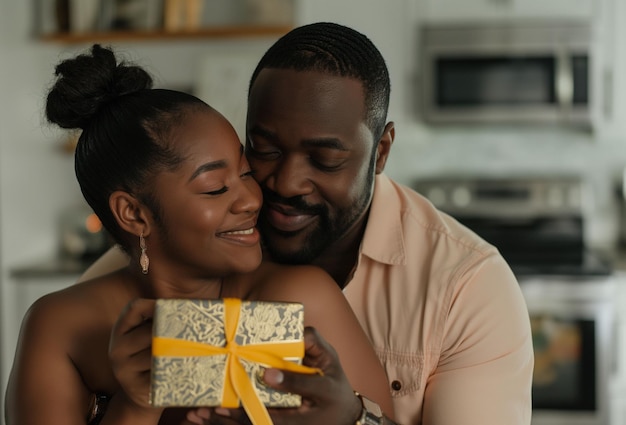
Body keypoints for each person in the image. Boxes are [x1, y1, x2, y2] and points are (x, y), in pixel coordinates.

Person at [77, 22, 535, 425]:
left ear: (381, 151)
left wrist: (356, 421)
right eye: (265, 150)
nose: (287, 182)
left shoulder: (466, 287)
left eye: (325, 158)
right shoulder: (144, 273)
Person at [4, 44, 395, 425]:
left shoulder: (300, 300)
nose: (251, 200)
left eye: (245, 173)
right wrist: (138, 403)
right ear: (134, 214)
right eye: (215, 188)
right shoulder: (62, 326)